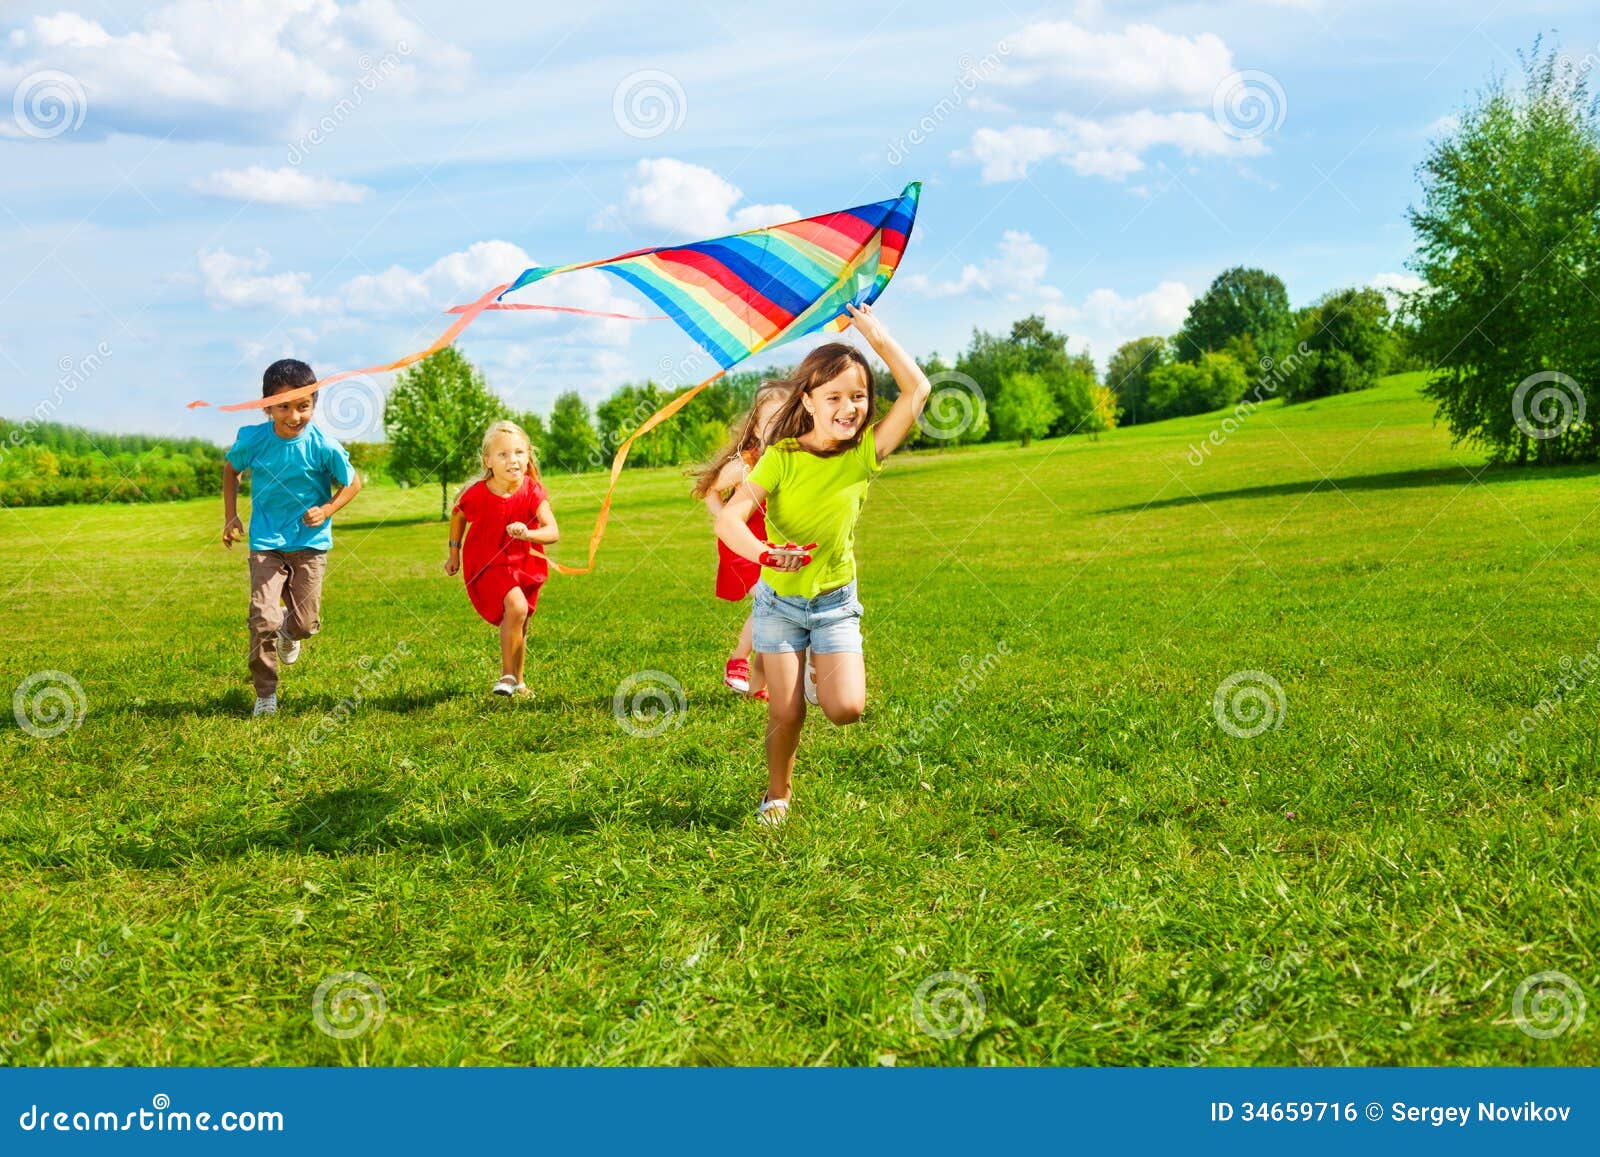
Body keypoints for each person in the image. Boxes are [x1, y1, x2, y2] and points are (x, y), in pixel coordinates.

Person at [714, 303, 930, 825]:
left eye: (858, 396)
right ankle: (777, 794)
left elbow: (918, 390)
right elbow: (730, 519)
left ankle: (820, 670)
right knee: (785, 709)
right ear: (807, 401)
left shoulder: (865, 454)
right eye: (833, 396)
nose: (849, 406)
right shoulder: (782, 456)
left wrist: (875, 335)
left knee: (845, 709)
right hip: (779, 604)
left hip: (834, 603)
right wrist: (766, 554)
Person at [222, 358, 364, 717]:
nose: (294, 415)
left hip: (309, 544)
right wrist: (231, 515)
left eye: (303, 406)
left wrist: (328, 509)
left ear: (314, 404)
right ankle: (265, 693)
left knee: (304, 625)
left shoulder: (323, 445)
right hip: (266, 542)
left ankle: (289, 631)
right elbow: (231, 470)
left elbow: (353, 482)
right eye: (284, 406)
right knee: (262, 618)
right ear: (267, 405)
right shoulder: (253, 439)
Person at [690, 381, 791, 701]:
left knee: (777, 607)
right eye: (769, 421)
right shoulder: (746, 463)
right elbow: (707, 488)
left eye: (784, 420)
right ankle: (738, 660)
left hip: (769, 546)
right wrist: (726, 521)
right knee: (768, 599)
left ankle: (760, 684)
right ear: (756, 427)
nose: (777, 427)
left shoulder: (791, 459)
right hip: (742, 545)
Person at [446, 420, 559, 696]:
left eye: (519, 453)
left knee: (522, 620)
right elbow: (458, 515)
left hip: (524, 563)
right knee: (517, 609)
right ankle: (507, 676)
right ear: (488, 461)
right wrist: (453, 553)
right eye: (503, 454)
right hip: (487, 563)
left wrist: (527, 533)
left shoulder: (532, 491)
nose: (513, 460)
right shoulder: (477, 494)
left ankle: (518, 682)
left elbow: (552, 531)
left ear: (528, 455)